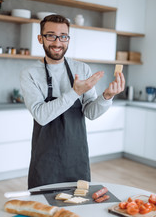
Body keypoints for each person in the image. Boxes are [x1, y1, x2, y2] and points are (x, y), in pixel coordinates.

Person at [20, 14, 125, 189]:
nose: (57, 42)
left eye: (63, 36)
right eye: (51, 35)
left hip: (76, 156)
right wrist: (75, 92)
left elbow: (90, 113)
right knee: (43, 210)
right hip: (46, 158)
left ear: (68, 39)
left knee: (78, 208)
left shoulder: (81, 69)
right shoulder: (29, 73)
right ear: (41, 38)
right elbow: (41, 116)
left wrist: (106, 96)